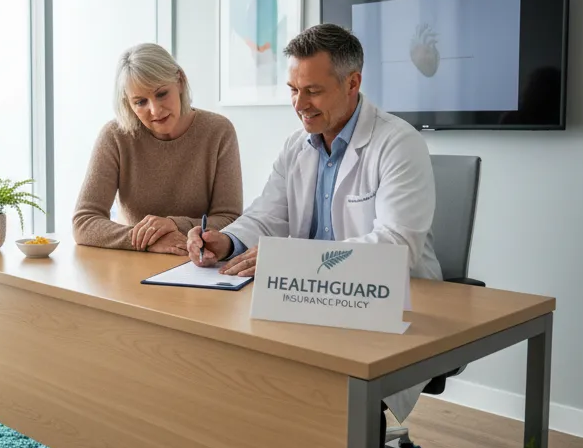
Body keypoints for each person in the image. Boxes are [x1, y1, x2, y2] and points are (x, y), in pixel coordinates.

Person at [187, 23, 440, 424]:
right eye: (292, 89)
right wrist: (228, 240)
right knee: (233, 359)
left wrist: (291, 262)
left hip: (381, 299)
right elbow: (268, 214)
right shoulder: (297, 145)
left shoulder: (399, 144)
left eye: (313, 90)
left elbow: (396, 245)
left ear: (352, 82)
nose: (299, 103)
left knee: (317, 385)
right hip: (306, 296)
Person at [73, 43, 243, 253]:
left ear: (180, 81)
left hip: (196, 264)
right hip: (132, 264)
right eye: (140, 102)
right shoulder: (115, 136)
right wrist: (147, 241)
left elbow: (231, 219)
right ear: (128, 103)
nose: (155, 110)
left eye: (162, 94)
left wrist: (174, 224)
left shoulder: (218, 131)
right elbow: (83, 222)